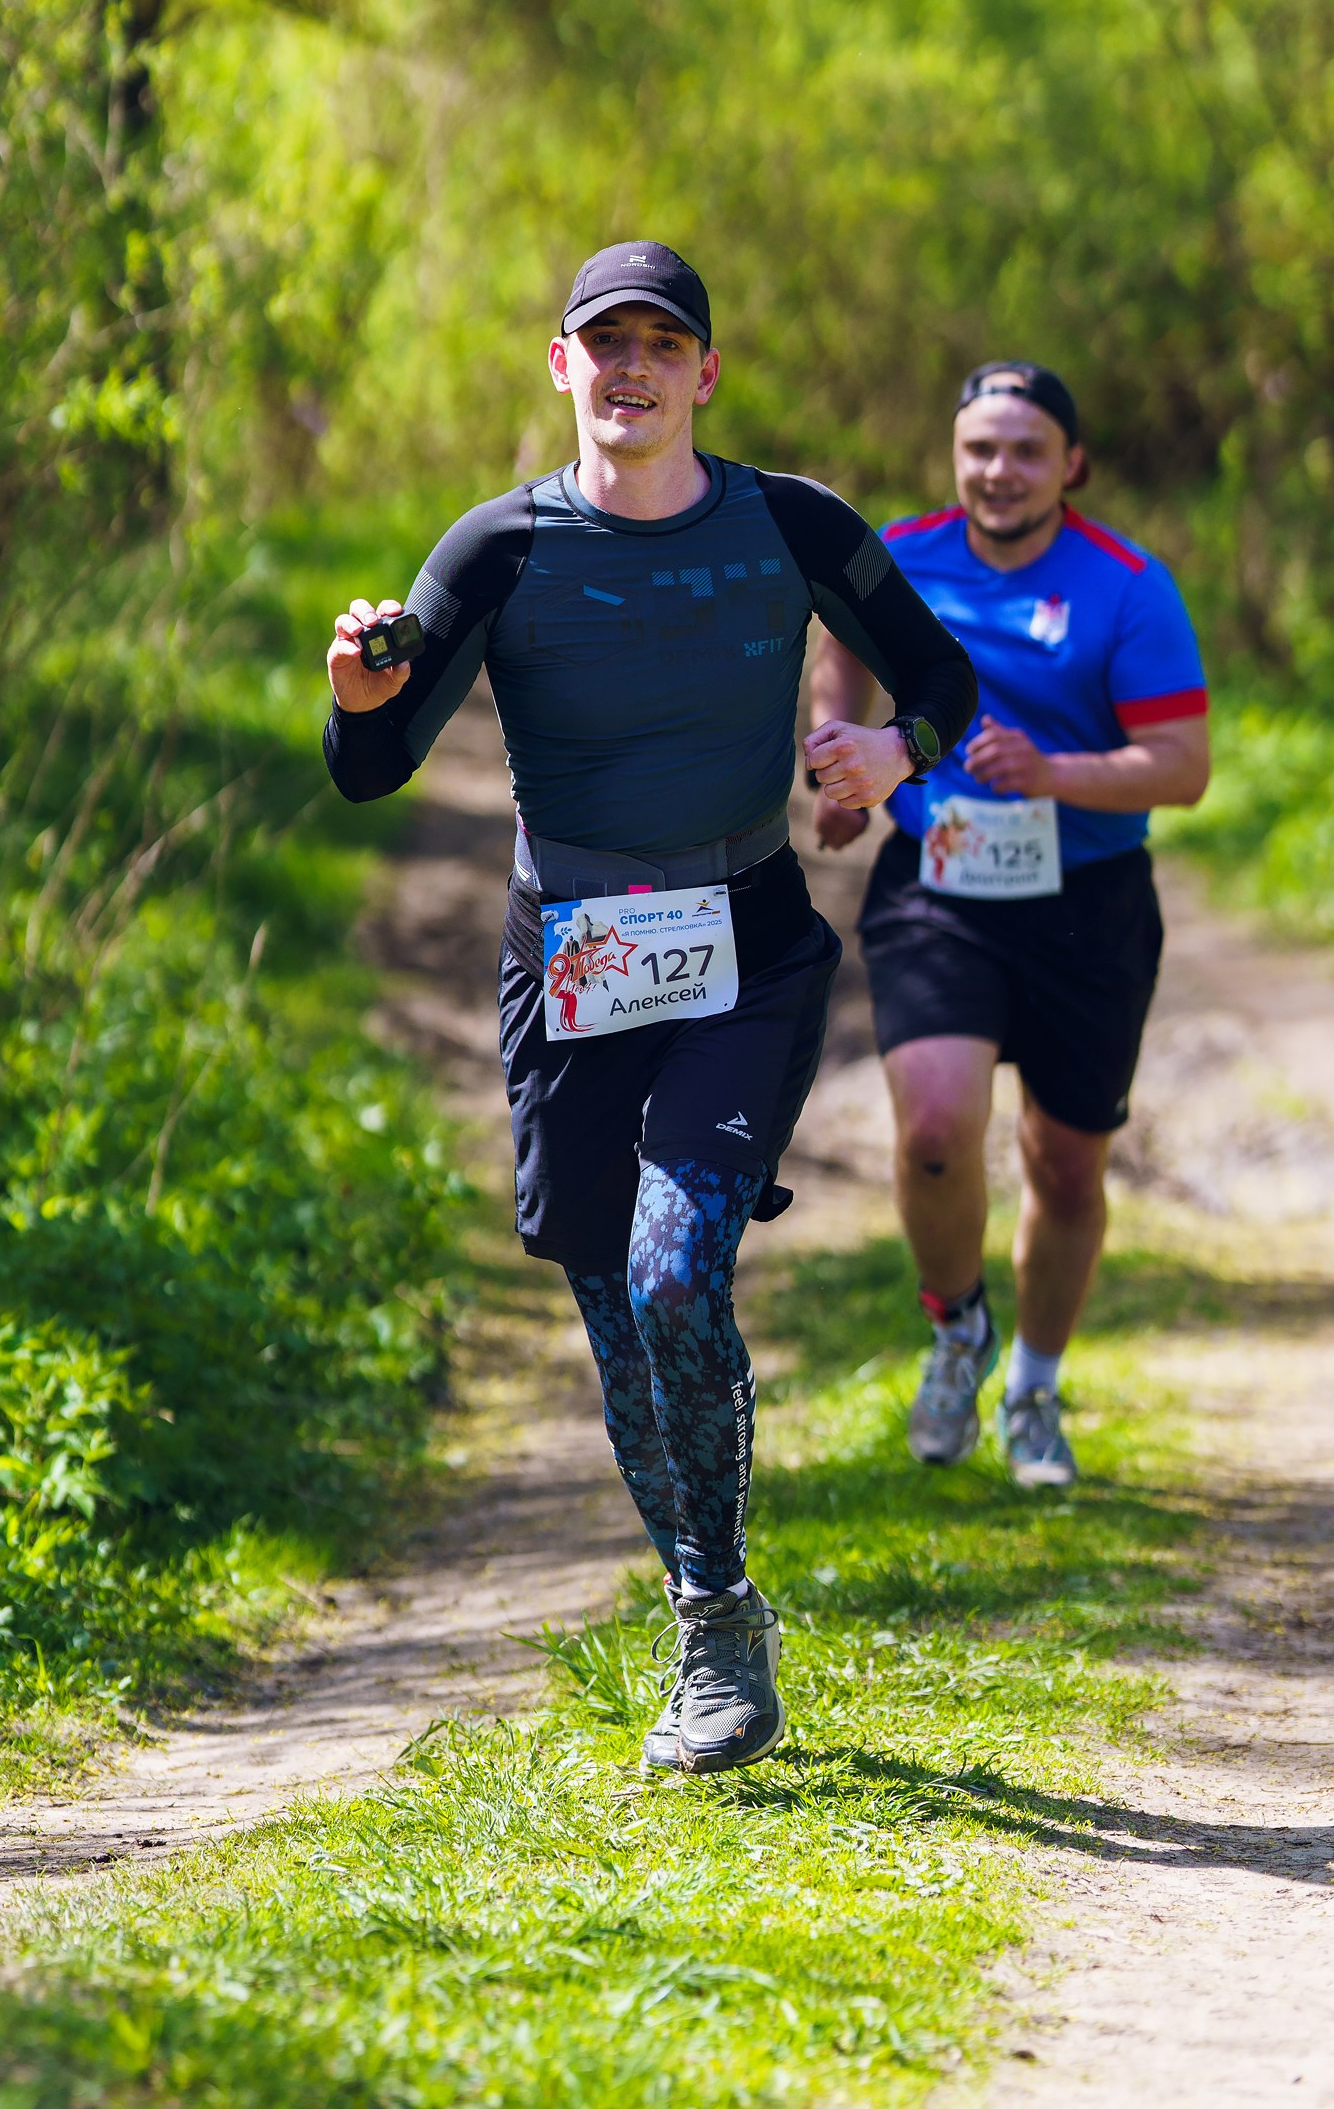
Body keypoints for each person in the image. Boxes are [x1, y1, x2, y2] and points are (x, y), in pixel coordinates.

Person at [324, 242, 975, 1773]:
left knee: (677, 1265)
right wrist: (356, 697)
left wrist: (893, 754)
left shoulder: (793, 523)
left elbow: (943, 680)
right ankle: (709, 1600)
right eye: (600, 343)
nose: (629, 369)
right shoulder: (497, 551)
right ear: (560, 367)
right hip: (573, 963)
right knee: (615, 1303)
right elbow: (373, 765)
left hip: (743, 941)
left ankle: (715, 1619)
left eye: (659, 344)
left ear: (704, 373)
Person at [808, 361, 1208, 1490]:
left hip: (1087, 905)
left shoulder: (1126, 586)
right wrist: (846, 763)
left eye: (1025, 450)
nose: (998, 471)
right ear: (953, 456)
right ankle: (955, 1331)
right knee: (934, 1130)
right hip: (936, 887)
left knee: (1064, 1165)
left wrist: (1052, 773)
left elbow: (1182, 769)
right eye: (979, 448)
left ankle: (1032, 1384)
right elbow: (835, 639)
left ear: (1067, 465)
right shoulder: (898, 553)